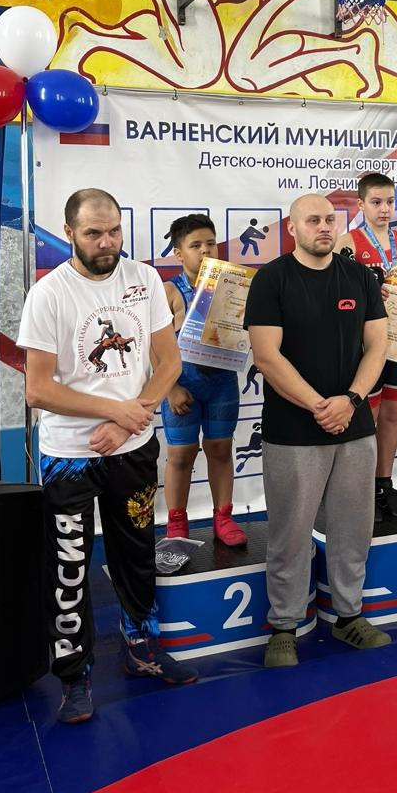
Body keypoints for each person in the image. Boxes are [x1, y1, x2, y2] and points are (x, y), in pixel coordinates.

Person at [19, 188, 197, 725]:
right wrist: (114, 411)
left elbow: (169, 361)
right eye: (94, 233)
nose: (107, 242)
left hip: (132, 448)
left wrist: (129, 418)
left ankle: (141, 647)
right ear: (69, 233)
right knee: (69, 566)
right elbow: (37, 390)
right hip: (69, 455)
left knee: (136, 554)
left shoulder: (143, 279)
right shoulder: (48, 294)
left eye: (114, 230)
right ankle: (74, 676)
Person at [245, 193, 391, 667]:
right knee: (290, 532)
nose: (324, 227)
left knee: (353, 528)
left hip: (354, 424)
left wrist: (351, 400)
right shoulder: (271, 279)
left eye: (330, 219)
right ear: (292, 228)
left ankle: (349, 615)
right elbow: (267, 356)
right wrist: (318, 406)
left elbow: (378, 346)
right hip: (293, 428)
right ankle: (284, 625)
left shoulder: (360, 277)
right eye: (313, 220)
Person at [160, 214, 246, 546]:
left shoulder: (233, 287)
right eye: (195, 245)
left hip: (222, 382)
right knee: (181, 455)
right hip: (183, 384)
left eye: (211, 243)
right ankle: (176, 524)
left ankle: (223, 518)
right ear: (178, 253)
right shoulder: (169, 291)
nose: (205, 250)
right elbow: (154, 347)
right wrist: (169, 388)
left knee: (221, 449)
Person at [335, 173, 397, 521]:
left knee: (393, 414)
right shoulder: (346, 242)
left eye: (390, 202)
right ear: (361, 204)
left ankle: (384, 484)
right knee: (368, 416)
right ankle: (360, 488)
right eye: (377, 202)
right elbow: (335, 295)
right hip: (366, 344)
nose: (384, 209)